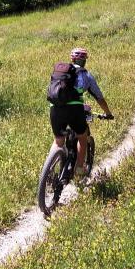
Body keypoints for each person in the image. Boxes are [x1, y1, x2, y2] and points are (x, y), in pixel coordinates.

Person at [49, 47, 113, 180]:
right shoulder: (86, 75)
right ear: (84, 60)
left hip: (55, 107)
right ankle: (79, 169)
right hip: (74, 110)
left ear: (71, 59)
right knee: (82, 137)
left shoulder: (60, 72)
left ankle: (48, 171)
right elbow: (99, 98)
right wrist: (107, 113)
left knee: (58, 140)